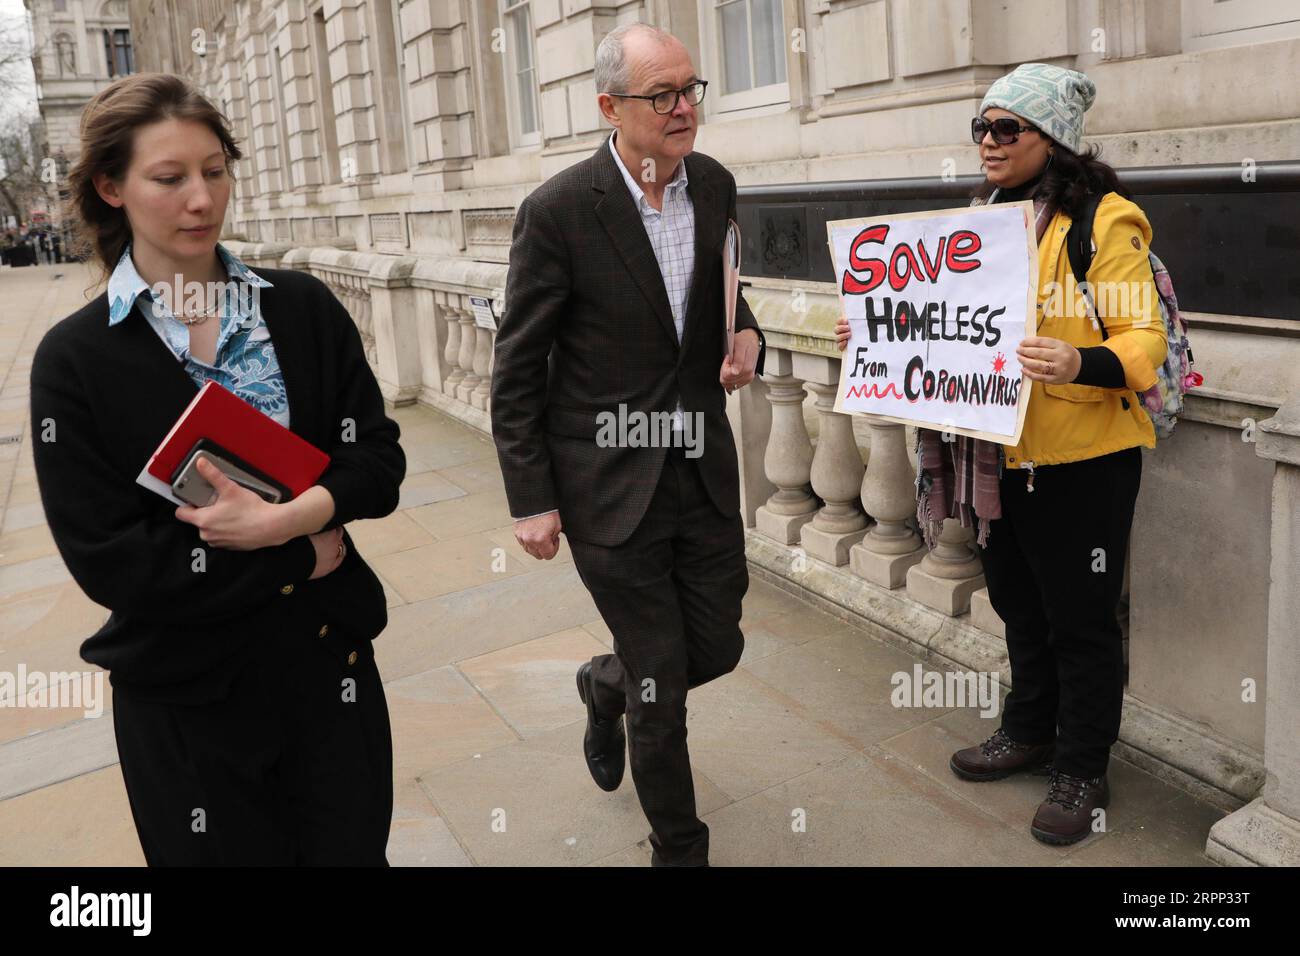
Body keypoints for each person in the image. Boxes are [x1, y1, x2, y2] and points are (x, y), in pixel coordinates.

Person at [30, 73, 405, 865]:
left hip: (328, 672)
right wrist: (309, 551)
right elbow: (117, 564)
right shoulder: (75, 361)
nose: (201, 199)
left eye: (215, 170)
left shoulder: (301, 309)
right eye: (169, 179)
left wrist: (290, 518)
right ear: (111, 187)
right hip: (186, 706)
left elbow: (376, 458)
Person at [836, 62, 1166, 845]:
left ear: (1052, 138)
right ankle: (1030, 729)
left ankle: (1083, 767)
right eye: (981, 127)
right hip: (999, 457)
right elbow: (934, 320)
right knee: (1019, 605)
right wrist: (871, 333)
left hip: (1084, 462)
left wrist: (1076, 362)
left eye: (1006, 128)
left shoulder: (1104, 220)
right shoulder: (978, 222)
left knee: (1081, 619)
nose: (988, 142)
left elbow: (1145, 344)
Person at [491, 22, 765, 867]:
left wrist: (747, 334)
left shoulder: (715, 186)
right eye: (664, 96)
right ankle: (680, 849)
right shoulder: (560, 211)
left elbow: (721, 297)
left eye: (691, 90)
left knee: (715, 647)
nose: (685, 109)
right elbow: (518, 365)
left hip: (703, 474)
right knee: (662, 687)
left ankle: (600, 686)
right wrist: (531, 497)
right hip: (608, 486)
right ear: (611, 107)